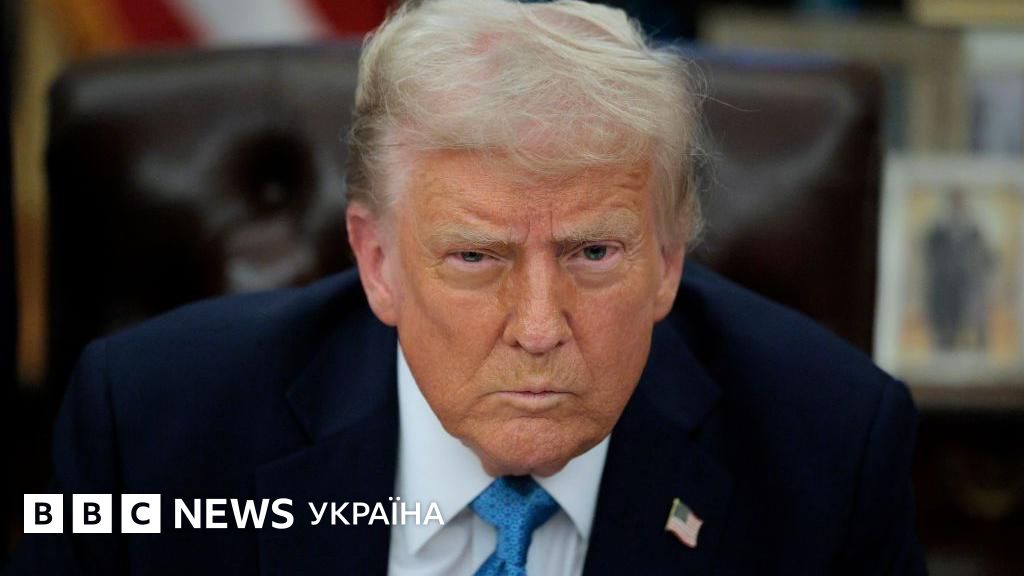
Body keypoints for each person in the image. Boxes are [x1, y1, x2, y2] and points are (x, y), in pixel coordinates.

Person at [7, 0, 925, 574]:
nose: (539, 327)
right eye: (477, 258)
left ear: (668, 259)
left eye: (593, 253)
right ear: (377, 263)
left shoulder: (831, 450)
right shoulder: (147, 429)